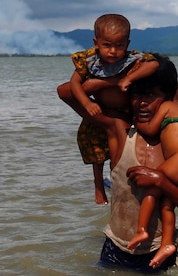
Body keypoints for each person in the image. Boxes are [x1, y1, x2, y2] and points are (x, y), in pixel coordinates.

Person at [94, 59, 178, 272]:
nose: (141, 103)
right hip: (115, 245)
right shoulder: (121, 135)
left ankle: (163, 240)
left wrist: (161, 182)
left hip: (157, 251)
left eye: (149, 96)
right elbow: (68, 92)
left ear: (166, 100)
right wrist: (121, 79)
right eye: (136, 95)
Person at [57, 14, 158, 205]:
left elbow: (153, 64)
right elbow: (74, 84)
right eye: (107, 45)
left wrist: (127, 79)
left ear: (127, 44)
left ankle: (117, 182)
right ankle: (98, 187)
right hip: (100, 109)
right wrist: (87, 103)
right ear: (96, 42)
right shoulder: (90, 61)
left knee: (117, 151)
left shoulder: (132, 59)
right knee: (97, 154)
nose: (113, 51)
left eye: (119, 46)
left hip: (124, 113)